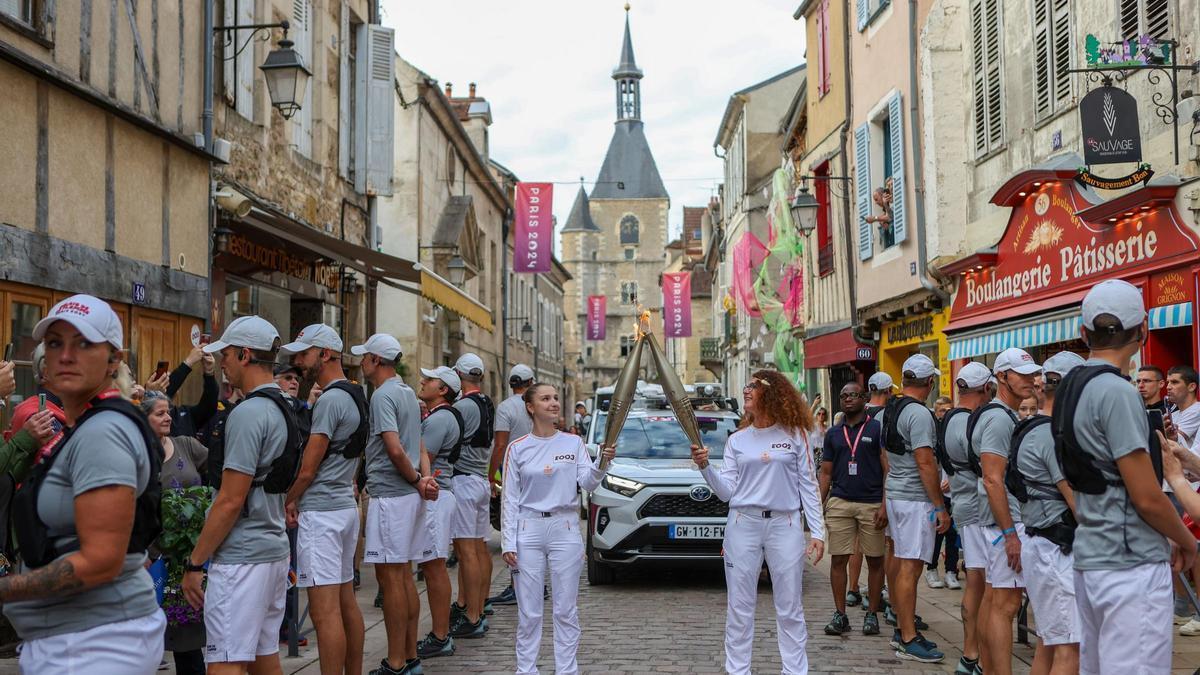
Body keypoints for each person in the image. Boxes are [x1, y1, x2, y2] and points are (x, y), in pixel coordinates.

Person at [0, 295, 164, 673]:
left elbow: (101, 560)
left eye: (84, 343)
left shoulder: (103, 432)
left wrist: (6, 589)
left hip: (96, 643)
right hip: (77, 639)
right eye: (55, 343)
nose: (66, 355)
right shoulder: (86, 425)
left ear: (114, 360)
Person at [1058, 280, 1196, 673]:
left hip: (1092, 555)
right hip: (1129, 563)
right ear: (1143, 331)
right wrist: (1186, 540)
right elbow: (1147, 496)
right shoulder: (1118, 393)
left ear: (1084, 333)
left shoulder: (1071, 386)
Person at [693, 370, 825, 675]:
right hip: (743, 524)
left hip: (785, 524)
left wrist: (818, 532)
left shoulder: (795, 435)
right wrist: (705, 468)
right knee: (740, 608)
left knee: (789, 607)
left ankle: (795, 671)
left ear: (773, 392)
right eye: (747, 385)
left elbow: (808, 484)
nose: (746, 389)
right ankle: (738, 670)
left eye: (754, 385)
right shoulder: (737, 440)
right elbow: (726, 491)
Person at [182, 316, 292, 673]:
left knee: (226, 663)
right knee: (264, 658)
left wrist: (195, 562)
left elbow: (230, 500)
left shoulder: (247, 413)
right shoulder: (285, 407)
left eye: (226, 354)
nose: (223, 362)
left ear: (245, 355)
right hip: (273, 550)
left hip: (243, 557)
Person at [501, 383, 612, 675]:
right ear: (530, 406)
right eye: (545, 399)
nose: (553, 403)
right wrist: (507, 542)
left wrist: (602, 463)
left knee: (565, 609)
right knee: (530, 610)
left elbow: (588, 482)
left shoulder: (572, 443)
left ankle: (567, 669)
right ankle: (526, 669)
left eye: (555, 398)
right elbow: (510, 498)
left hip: (564, 527)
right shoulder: (518, 448)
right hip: (529, 528)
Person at [281, 324, 367, 675]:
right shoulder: (357, 393)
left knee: (323, 612)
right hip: (344, 507)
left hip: (322, 512)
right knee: (346, 603)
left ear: (327, 354)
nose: (299, 361)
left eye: (304, 353)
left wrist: (289, 500)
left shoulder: (330, 399)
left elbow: (308, 468)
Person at [353, 334, 439, 675]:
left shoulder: (382, 396)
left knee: (391, 580)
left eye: (364, 357)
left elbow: (393, 448)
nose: (361, 363)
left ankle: (397, 662)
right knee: (403, 576)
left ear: (375, 361)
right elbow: (416, 445)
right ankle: (409, 655)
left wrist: (418, 481)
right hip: (409, 492)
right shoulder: (406, 392)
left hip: (392, 493)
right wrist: (423, 479)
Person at [1011, 350, 1085, 675]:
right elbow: (1077, 503)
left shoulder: (1031, 428)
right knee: (1071, 649)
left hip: (1042, 545)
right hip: (1057, 551)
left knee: (1048, 643)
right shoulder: (1053, 435)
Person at [972, 347, 1039, 675]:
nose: (1031, 380)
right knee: (1006, 604)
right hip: (1004, 523)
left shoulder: (1001, 414)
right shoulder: (1000, 417)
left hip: (999, 521)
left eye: (1032, 374)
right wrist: (1010, 532)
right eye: (1022, 375)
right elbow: (993, 479)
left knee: (993, 601)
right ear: (1002, 377)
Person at [880, 353, 948, 663]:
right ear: (930, 383)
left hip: (897, 493)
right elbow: (925, 461)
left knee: (901, 561)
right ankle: (907, 636)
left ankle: (903, 627)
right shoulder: (919, 415)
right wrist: (939, 505)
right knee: (911, 566)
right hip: (914, 499)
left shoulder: (891, 407)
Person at [139, 390, 210, 675]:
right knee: (144, 640)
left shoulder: (187, 445)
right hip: (151, 560)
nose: (168, 417)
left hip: (186, 558)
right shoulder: (138, 456)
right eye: (159, 413)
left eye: (168, 411)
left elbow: (220, 473)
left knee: (187, 640)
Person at [820, 381, 887, 637]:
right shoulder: (833, 434)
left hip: (871, 503)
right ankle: (840, 614)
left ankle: (871, 614)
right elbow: (826, 473)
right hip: (840, 501)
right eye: (843, 395)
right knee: (838, 559)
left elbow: (886, 468)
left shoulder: (876, 428)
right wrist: (819, 504)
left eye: (853, 395)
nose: (848, 399)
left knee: (875, 559)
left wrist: (885, 504)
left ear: (864, 398)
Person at [940, 361, 992, 675]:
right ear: (986, 388)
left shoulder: (952, 419)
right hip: (976, 509)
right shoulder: (967, 422)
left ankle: (972, 653)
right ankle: (974, 654)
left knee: (976, 582)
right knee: (979, 584)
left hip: (965, 505)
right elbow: (985, 467)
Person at [415, 366, 464, 658]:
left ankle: (440, 635)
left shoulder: (439, 419)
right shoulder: (439, 416)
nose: (423, 382)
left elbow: (424, 460)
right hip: (441, 495)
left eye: (429, 380)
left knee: (434, 567)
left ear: (443, 389)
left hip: (437, 495)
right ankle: (440, 632)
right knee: (434, 566)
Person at [449, 353, 495, 639]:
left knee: (467, 553)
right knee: (477, 549)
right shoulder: (487, 402)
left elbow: (449, 439)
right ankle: (473, 607)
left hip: (464, 480)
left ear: (458, 375)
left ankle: (473, 615)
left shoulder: (463, 406)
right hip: (478, 479)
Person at [487, 363, 535, 608]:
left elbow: (500, 445)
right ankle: (534, 583)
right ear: (531, 383)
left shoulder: (505, 407)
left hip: (514, 474)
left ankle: (517, 585)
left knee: (513, 529)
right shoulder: (536, 406)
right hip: (537, 474)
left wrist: (491, 474)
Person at [1167, 365, 1200, 444]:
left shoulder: (1197, 410)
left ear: (1191, 387)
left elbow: (1172, 440)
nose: (1168, 387)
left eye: (1174, 382)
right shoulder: (1173, 414)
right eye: (1168, 382)